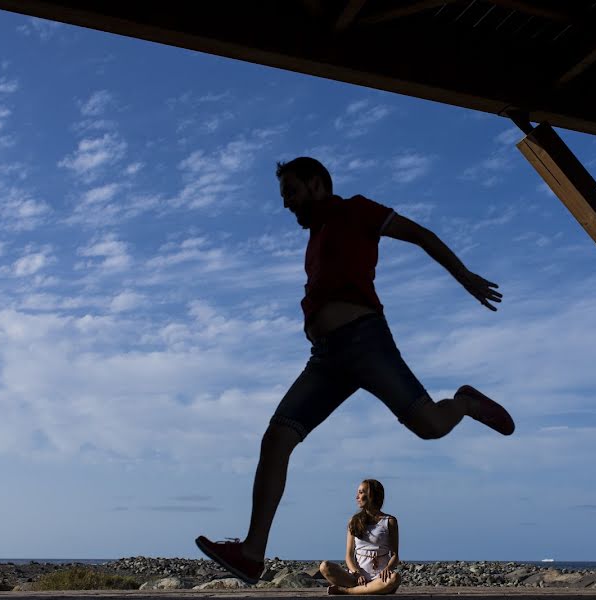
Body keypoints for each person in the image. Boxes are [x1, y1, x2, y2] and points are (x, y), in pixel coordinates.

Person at [195, 157, 513, 584]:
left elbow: (421, 235)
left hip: (366, 342)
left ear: (317, 184)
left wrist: (464, 276)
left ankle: (464, 403)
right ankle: (252, 553)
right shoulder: (315, 238)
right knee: (277, 437)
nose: (286, 203)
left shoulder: (355, 210)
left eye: (291, 191)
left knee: (431, 426)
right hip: (326, 359)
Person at [320, 479, 401, 595]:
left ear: (372, 495)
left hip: (379, 579)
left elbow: (395, 555)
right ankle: (364, 589)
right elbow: (349, 555)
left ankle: (348, 591)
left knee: (395, 578)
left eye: (361, 492)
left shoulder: (390, 521)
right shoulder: (354, 521)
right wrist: (356, 573)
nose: (357, 497)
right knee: (324, 566)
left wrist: (387, 569)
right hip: (356, 578)